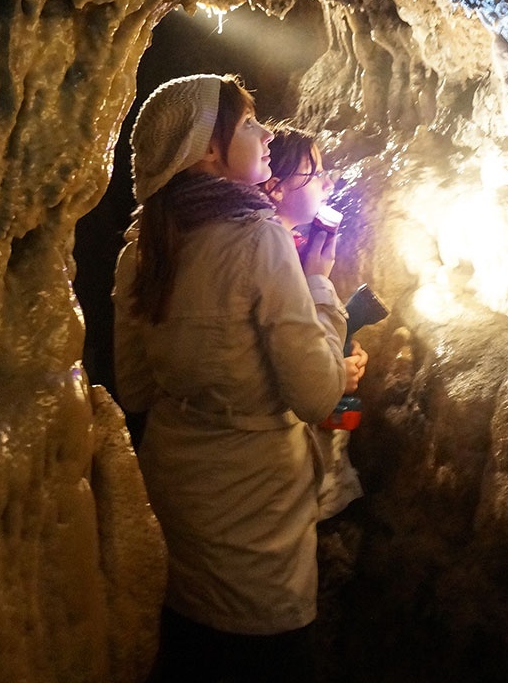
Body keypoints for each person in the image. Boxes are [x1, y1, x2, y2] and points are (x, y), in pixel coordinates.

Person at [112, 74, 366, 682]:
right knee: (267, 658)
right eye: (248, 124)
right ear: (206, 149)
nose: (265, 132)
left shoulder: (137, 250)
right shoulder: (260, 240)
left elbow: (136, 389)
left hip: (178, 499)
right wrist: (320, 285)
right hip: (257, 519)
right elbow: (318, 394)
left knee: (191, 655)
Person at [261, 125, 367, 520]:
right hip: (279, 468)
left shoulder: (294, 246)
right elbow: (292, 370)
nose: (327, 183)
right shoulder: (270, 256)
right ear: (275, 188)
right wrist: (335, 374)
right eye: (314, 172)